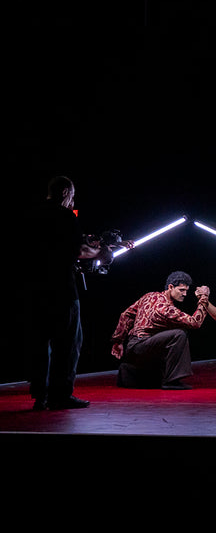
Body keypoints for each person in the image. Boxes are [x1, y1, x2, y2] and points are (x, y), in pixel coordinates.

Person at [28, 176, 106, 410]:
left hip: (35, 290)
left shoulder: (34, 215)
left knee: (41, 344)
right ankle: (60, 395)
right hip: (62, 290)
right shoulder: (65, 216)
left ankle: (40, 395)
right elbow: (78, 249)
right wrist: (101, 253)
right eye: (72, 195)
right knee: (69, 343)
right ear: (65, 192)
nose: (72, 201)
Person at [110, 270, 210, 390]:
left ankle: (130, 372)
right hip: (142, 347)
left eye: (186, 291)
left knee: (168, 340)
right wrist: (204, 298)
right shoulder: (165, 309)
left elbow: (126, 315)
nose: (185, 294)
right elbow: (195, 322)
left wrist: (118, 341)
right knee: (179, 334)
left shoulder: (149, 296)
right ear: (170, 287)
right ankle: (172, 381)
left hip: (133, 347)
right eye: (181, 290)